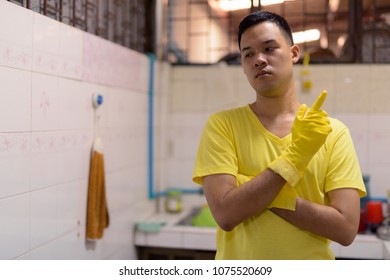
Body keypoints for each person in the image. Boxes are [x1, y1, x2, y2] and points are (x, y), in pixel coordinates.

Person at [192, 11, 366, 260]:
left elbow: (346, 229)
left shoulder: (331, 132)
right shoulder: (222, 126)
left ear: (294, 53)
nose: (258, 60)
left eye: (269, 48)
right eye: (248, 53)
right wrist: (296, 157)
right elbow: (226, 215)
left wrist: (253, 193)